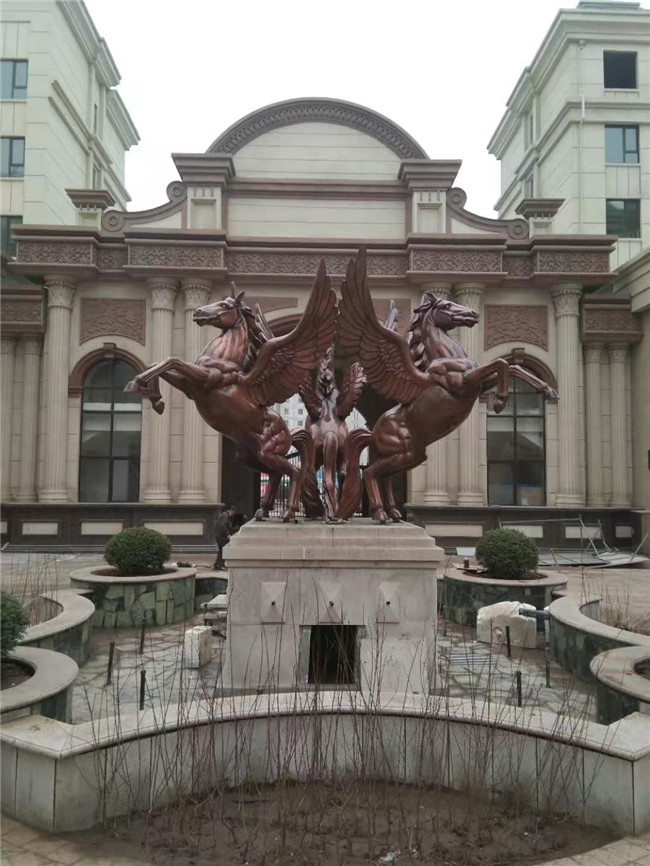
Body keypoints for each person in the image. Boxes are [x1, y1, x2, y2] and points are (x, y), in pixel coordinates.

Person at [213, 505, 235, 570]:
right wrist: (227, 534)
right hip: (221, 536)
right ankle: (221, 565)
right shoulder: (225, 515)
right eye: (233, 512)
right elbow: (223, 526)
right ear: (230, 510)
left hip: (219, 535)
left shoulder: (225, 515)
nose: (232, 514)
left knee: (221, 551)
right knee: (223, 550)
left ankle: (217, 564)